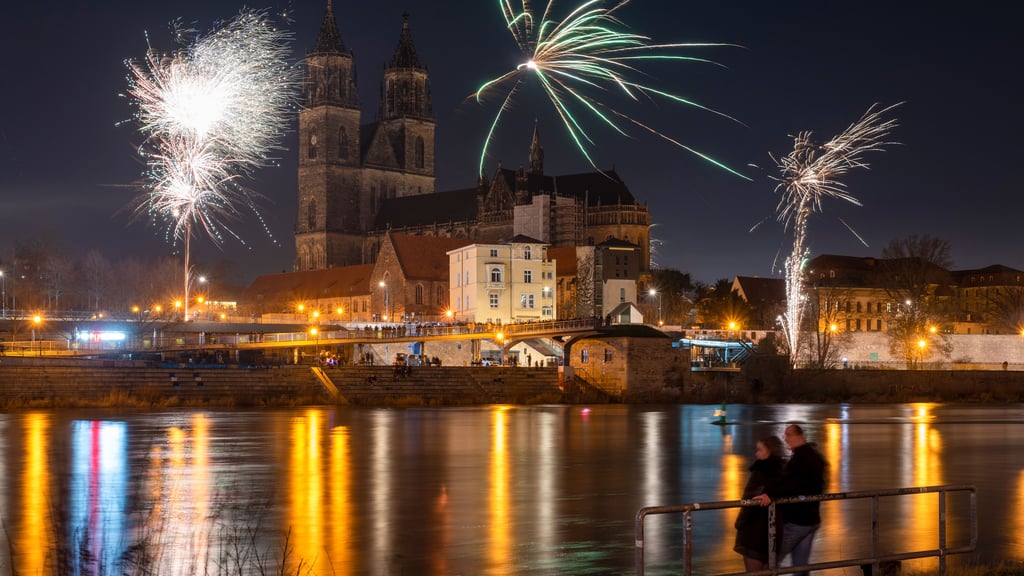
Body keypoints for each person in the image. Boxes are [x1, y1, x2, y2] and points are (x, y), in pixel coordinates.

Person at [753, 424, 828, 576]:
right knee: (800, 565)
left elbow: (790, 484)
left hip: (797, 521)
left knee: (771, 562)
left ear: (797, 436)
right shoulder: (815, 457)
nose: (785, 439)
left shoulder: (799, 460)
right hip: (812, 519)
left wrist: (769, 494)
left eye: (788, 435)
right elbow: (818, 485)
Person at [734, 435, 785, 572]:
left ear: (770, 451)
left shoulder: (760, 471)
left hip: (754, 533)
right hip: (775, 532)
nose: (757, 453)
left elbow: (749, 500)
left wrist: (739, 523)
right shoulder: (784, 471)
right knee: (769, 569)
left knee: (754, 571)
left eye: (760, 450)